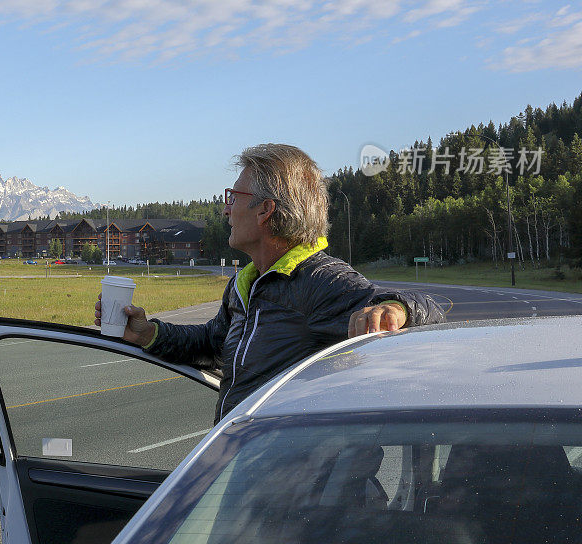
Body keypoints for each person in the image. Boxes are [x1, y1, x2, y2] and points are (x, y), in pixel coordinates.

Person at [95, 143, 445, 423]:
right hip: (248, 467)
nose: (226, 211)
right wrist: (148, 334)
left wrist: (395, 309)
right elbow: (212, 344)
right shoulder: (245, 286)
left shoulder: (319, 279)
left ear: (265, 210)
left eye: (233, 198)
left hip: (298, 494)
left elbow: (429, 310)